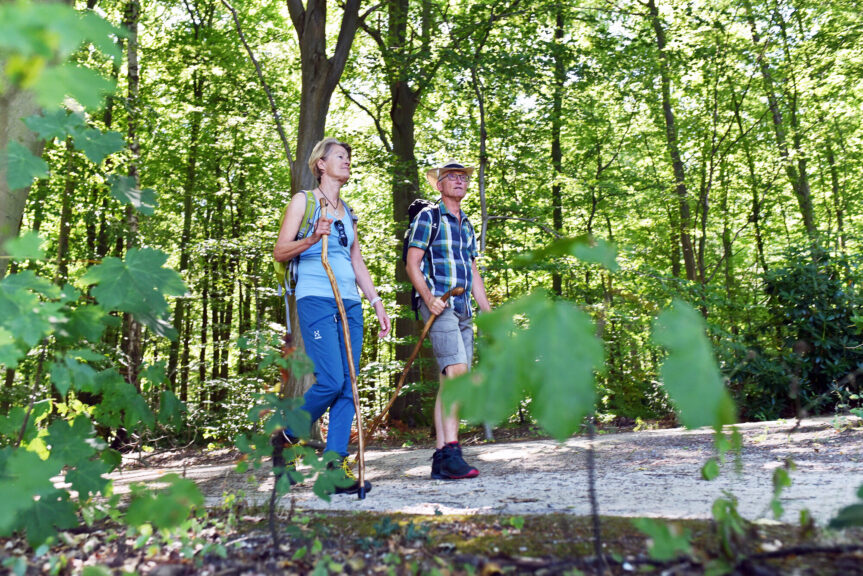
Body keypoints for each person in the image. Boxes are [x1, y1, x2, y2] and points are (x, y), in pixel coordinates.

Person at [273, 137, 391, 494]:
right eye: (340, 156)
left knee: (350, 385)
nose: (347, 161)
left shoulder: (347, 211)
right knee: (331, 381)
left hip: (349, 303)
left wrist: (375, 302)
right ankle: (287, 438)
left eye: (349, 157)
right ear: (320, 164)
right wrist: (312, 238)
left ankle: (334, 468)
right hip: (316, 299)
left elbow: (356, 260)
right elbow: (280, 251)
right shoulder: (304, 201)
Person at [405, 160, 492, 480]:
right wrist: (428, 298)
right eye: (451, 177)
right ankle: (454, 452)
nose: (459, 181)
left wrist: (487, 311)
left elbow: (472, 271)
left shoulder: (466, 224)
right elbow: (412, 263)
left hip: (463, 308)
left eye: (463, 177)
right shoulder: (428, 217)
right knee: (457, 375)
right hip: (440, 306)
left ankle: (442, 457)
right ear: (439, 185)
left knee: (450, 381)